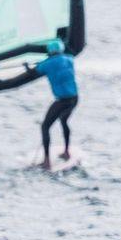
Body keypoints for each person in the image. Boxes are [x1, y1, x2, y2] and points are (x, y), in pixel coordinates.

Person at [26, 39, 78, 170]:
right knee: (64, 121)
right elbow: (67, 55)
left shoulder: (47, 64)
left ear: (49, 52)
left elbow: (33, 73)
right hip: (74, 98)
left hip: (62, 101)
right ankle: (66, 152)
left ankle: (47, 161)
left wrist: (27, 66)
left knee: (45, 127)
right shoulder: (69, 59)